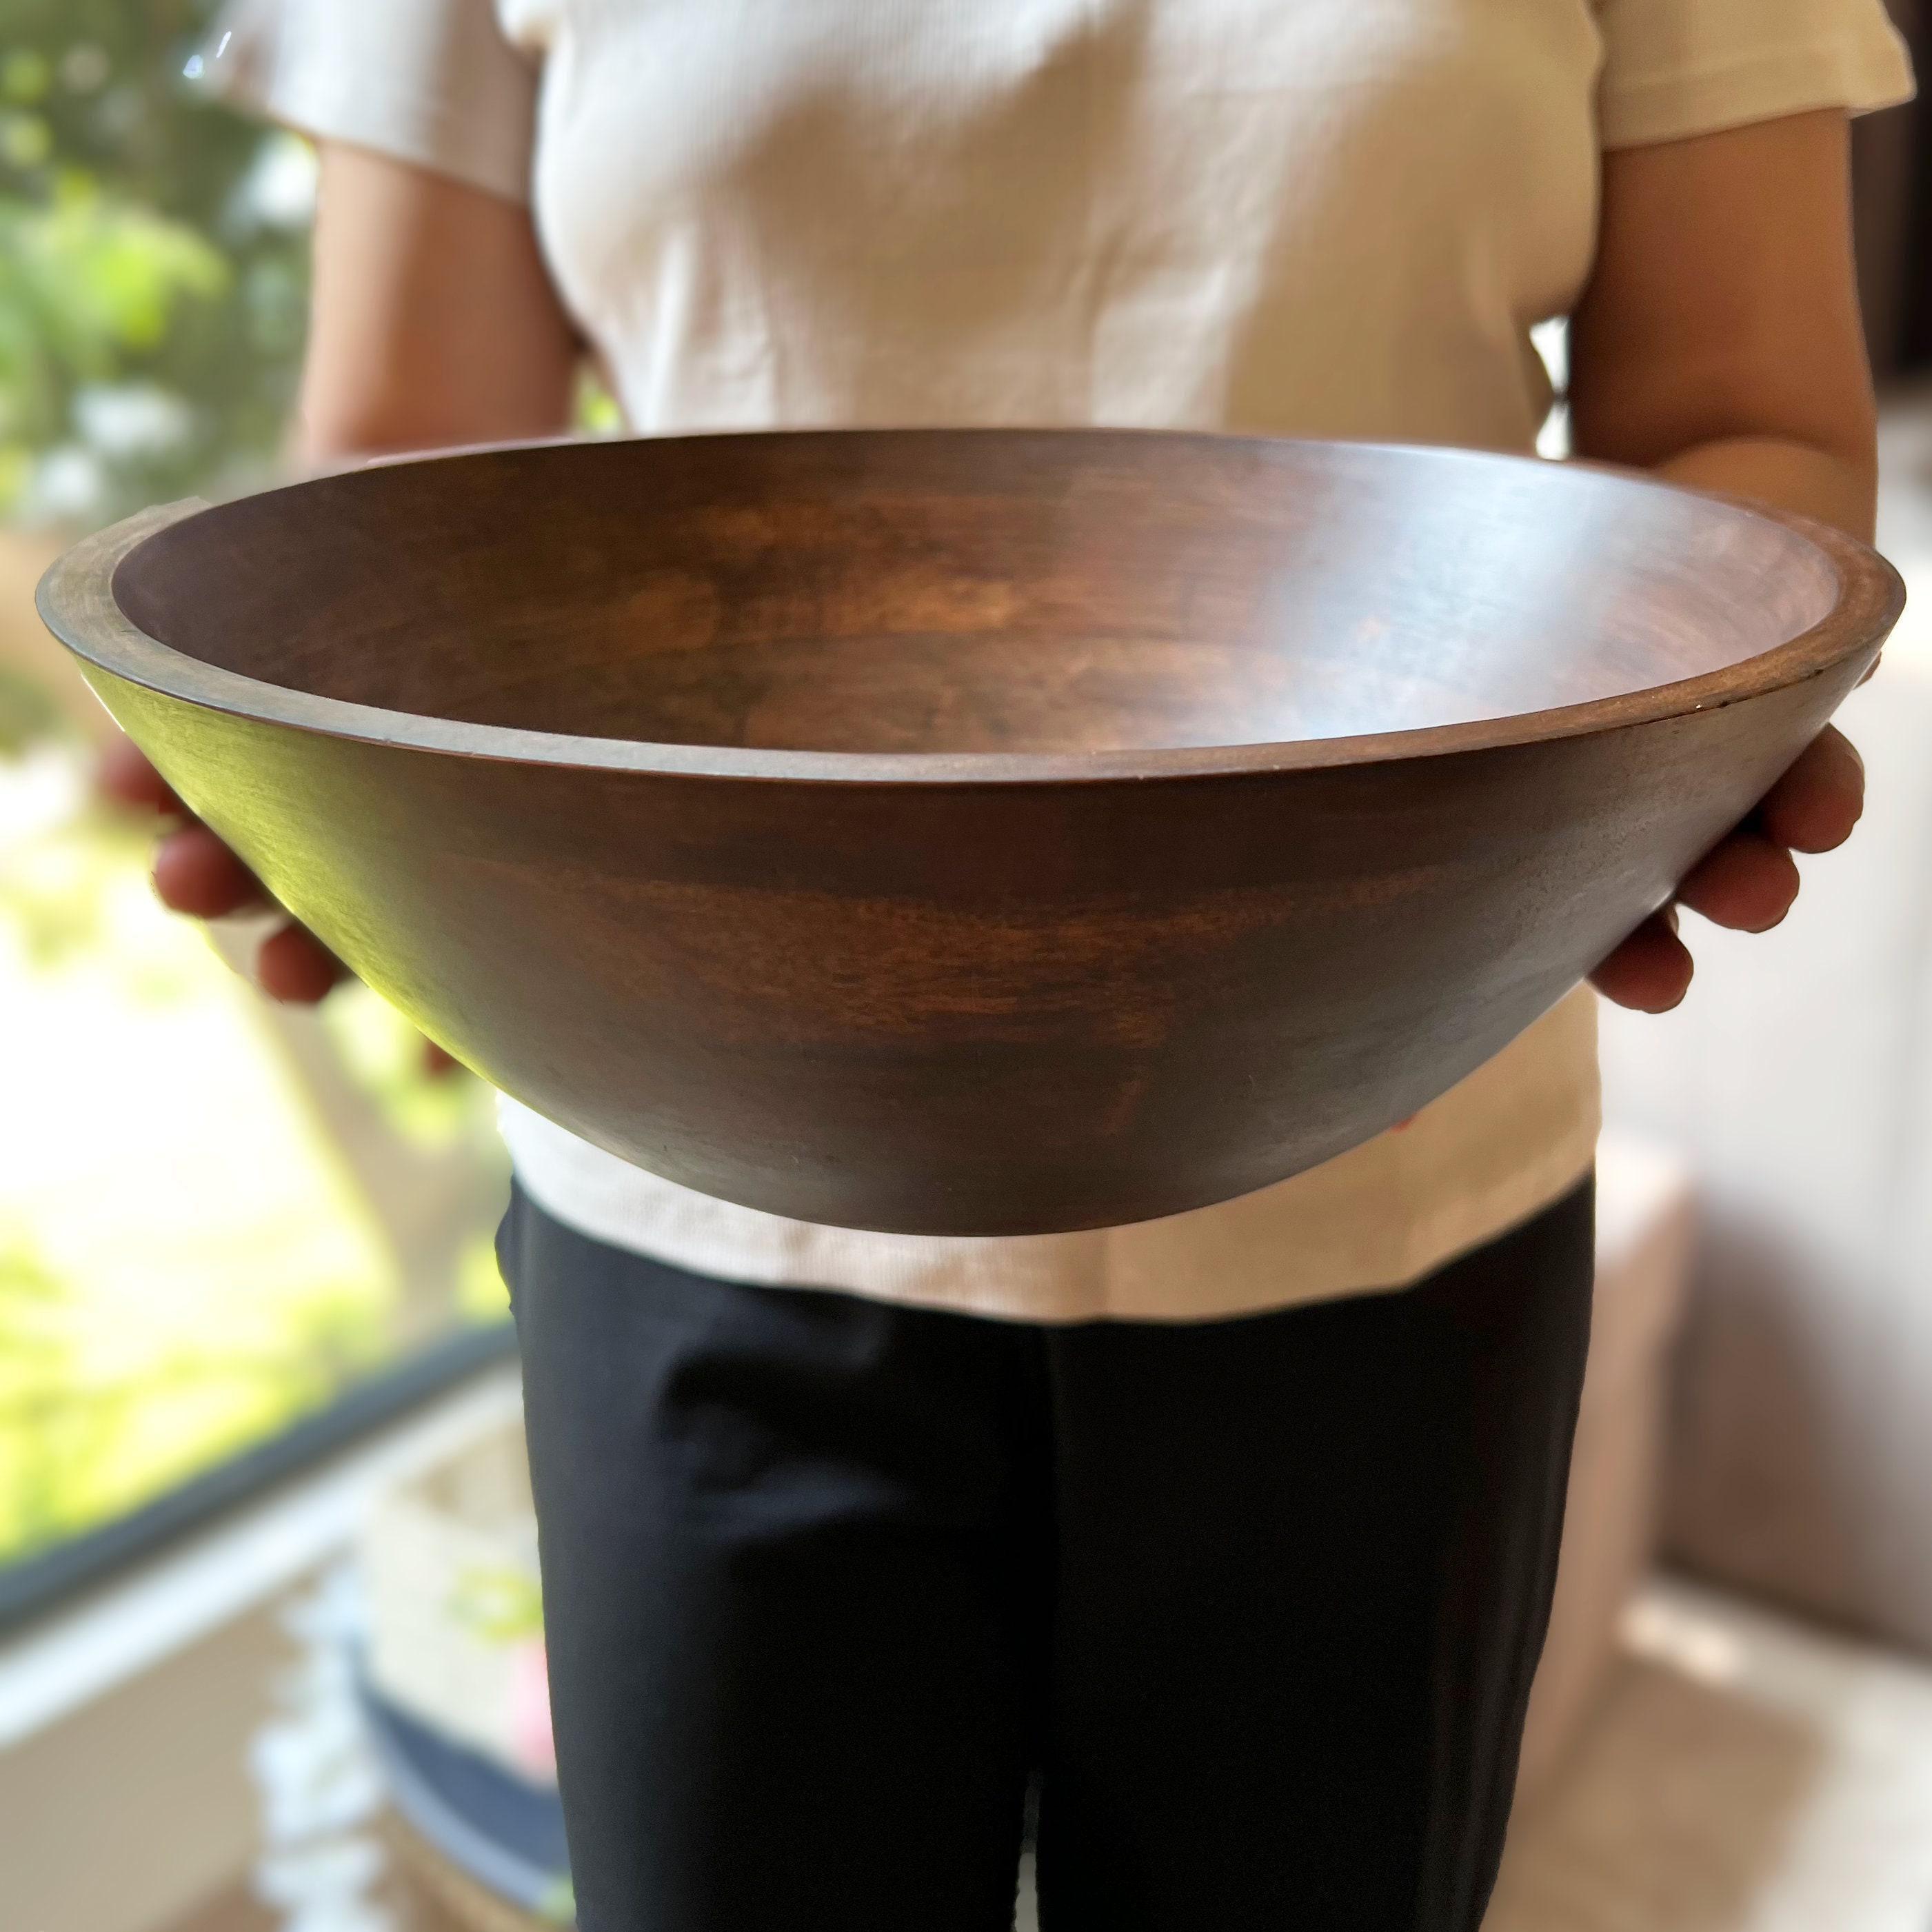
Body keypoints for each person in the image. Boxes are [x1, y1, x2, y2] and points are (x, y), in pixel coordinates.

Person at [108, 2, 1910, 1926]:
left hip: (1385, 1155)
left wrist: (1669, 726)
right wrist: (343, 784)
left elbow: (1742, 412)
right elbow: (402, 465)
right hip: (697, 1193)